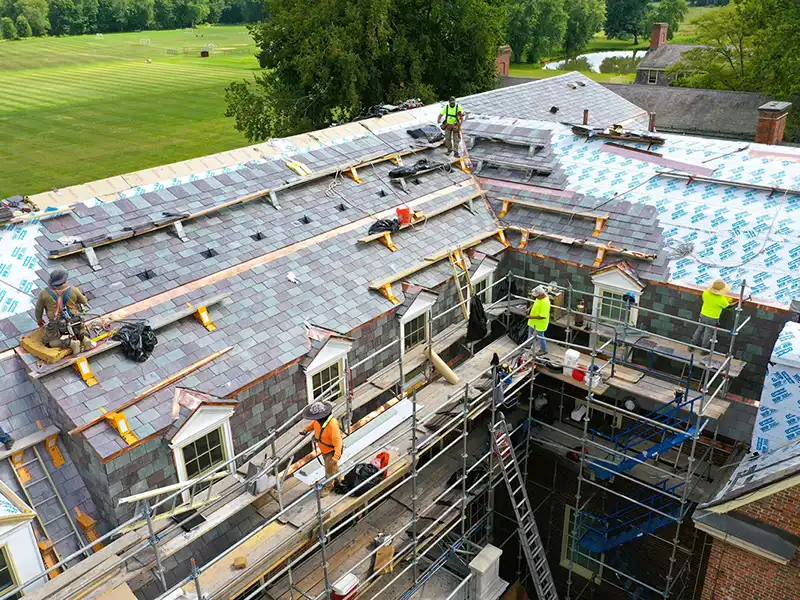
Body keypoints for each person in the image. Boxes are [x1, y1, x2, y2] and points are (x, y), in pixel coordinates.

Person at [35, 268, 95, 355]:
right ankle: (85, 339)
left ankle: (71, 343)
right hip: (74, 319)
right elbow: (84, 301)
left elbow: (38, 310)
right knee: (80, 330)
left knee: (48, 341)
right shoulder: (73, 290)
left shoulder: (44, 293)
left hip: (57, 323)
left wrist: (39, 320)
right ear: (64, 280)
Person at [301, 401, 343, 496]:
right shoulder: (318, 421)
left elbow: (338, 442)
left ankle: (328, 487)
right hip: (324, 449)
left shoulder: (332, 425)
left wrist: (335, 457)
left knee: (328, 470)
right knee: (333, 467)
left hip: (331, 451)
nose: (315, 419)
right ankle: (338, 480)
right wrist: (307, 429)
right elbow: (313, 425)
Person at [691, 279, 736, 352]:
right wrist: (737, 302)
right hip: (712, 318)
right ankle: (704, 350)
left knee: (699, 330)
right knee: (708, 333)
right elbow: (728, 306)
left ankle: (691, 345)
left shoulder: (706, 292)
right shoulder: (721, 299)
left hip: (703, 314)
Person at [527, 286, 551, 355]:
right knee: (530, 332)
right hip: (533, 321)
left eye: (537, 296)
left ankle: (543, 349)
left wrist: (531, 317)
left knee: (540, 336)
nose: (536, 297)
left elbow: (542, 316)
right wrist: (529, 308)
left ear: (541, 295)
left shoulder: (545, 303)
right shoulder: (540, 298)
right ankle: (528, 344)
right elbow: (536, 302)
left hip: (540, 323)